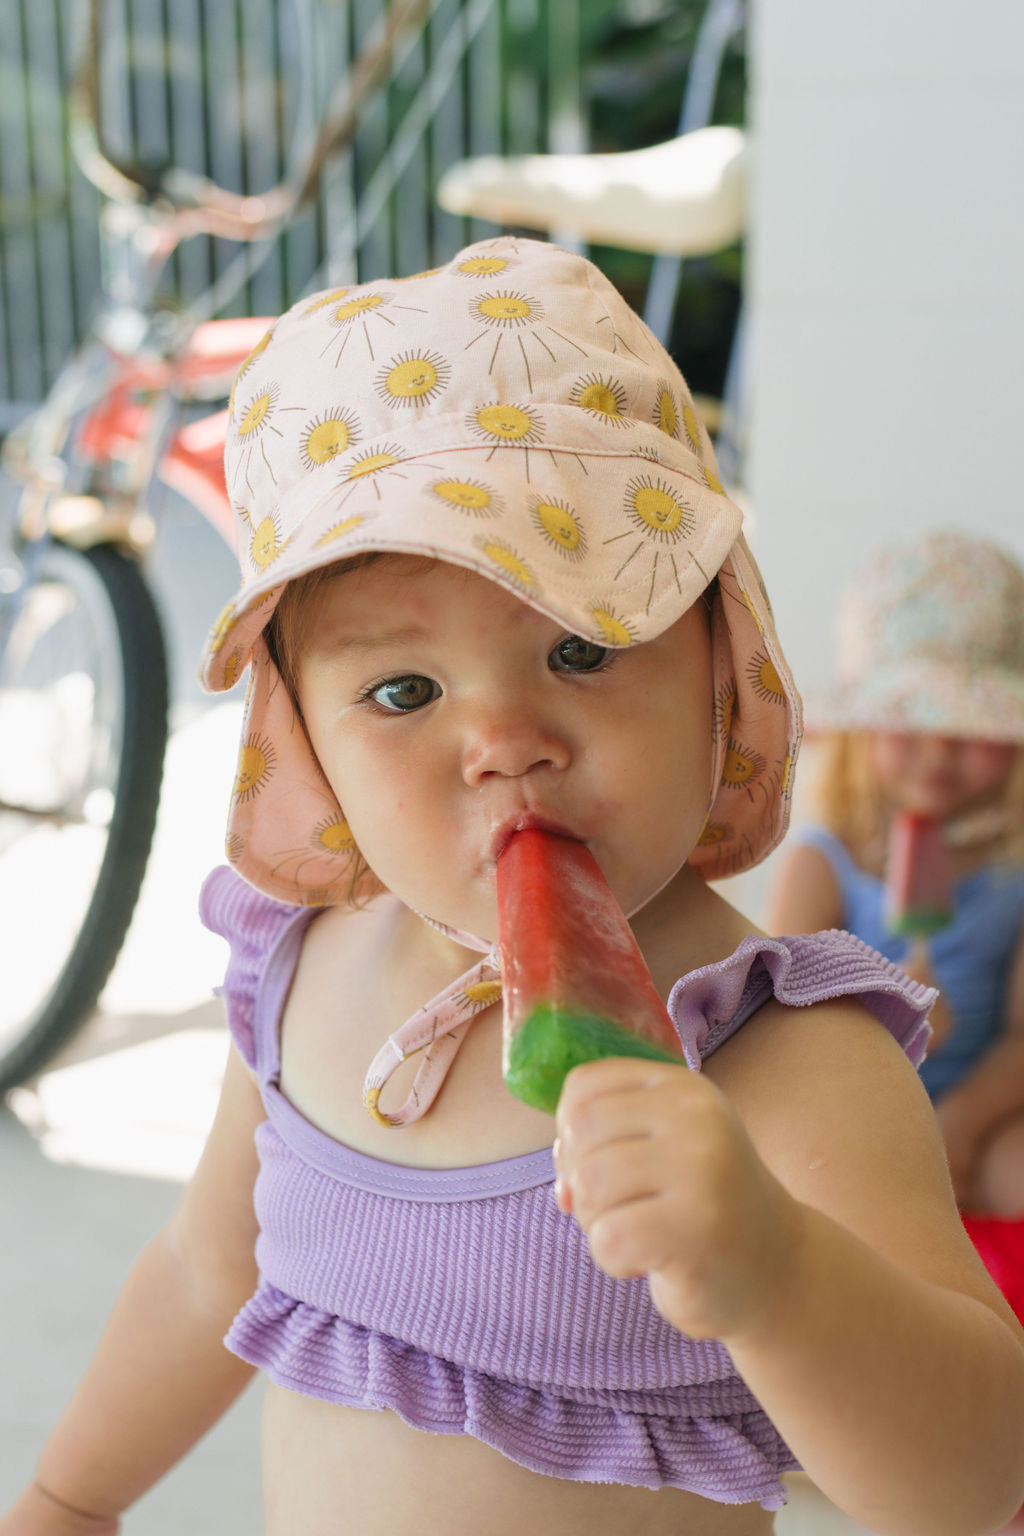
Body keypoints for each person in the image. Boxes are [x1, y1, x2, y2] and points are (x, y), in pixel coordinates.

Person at [4, 240, 1023, 1536]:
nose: (507, 738)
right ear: (305, 743)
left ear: (721, 661)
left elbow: (976, 1479)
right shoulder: (299, 969)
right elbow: (209, 1274)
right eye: (404, 691)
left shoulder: (780, 1053)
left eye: (582, 645)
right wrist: (69, 1496)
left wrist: (775, 1272)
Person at [766, 531, 1024, 1227]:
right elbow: (777, 1025)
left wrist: (965, 1123)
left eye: (971, 727)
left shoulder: (1015, 878)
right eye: (910, 721)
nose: (939, 750)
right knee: (805, 1172)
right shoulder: (825, 863)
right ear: (863, 731)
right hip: (857, 1108)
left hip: (986, 1109)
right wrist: (882, 1025)